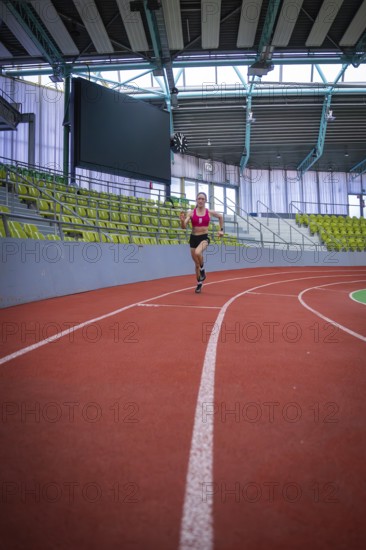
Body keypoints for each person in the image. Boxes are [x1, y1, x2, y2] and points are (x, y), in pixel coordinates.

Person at [180, 192, 224, 293]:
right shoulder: (191, 213)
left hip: (204, 238)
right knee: (196, 265)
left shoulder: (209, 212)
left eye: (202, 199)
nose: (200, 200)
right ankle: (199, 283)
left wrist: (221, 229)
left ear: (205, 201)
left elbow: (220, 217)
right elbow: (183, 227)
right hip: (193, 238)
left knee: (198, 253)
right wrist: (182, 221)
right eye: (199, 198)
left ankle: (203, 269)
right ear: (196, 200)